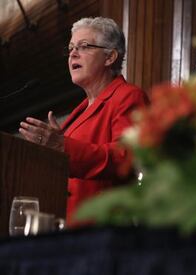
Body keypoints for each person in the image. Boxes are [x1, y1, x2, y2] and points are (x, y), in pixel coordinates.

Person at [18, 17, 149, 224]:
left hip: (102, 228)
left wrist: (62, 146)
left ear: (110, 57)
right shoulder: (79, 111)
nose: (72, 54)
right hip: (65, 226)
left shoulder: (128, 97)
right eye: (70, 48)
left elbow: (125, 157)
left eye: (84, 46)